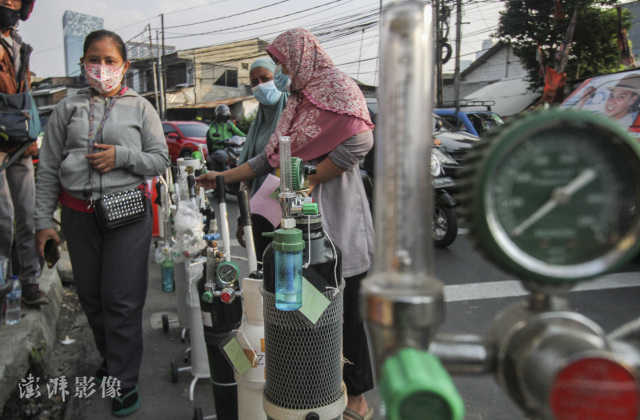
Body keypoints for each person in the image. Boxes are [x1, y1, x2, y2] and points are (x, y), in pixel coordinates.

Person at [197, 28, 375, 420]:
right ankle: (320, 388)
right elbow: (269, 160)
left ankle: (357, 400)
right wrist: (223, 178)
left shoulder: (337, 88)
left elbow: (361, 141)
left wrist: (312, 176)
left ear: (301, 55)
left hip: (337, 216)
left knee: (346, 311)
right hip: (297, 225)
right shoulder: (296, 102)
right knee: (310, 311)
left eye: (280, 63)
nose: (279, 71)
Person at [33, 30, 170, 417]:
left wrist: (123, 156)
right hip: (77, 215)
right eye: (95, 59)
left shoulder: (141, 107)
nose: (102, 68)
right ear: (82, 65)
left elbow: (160, 160)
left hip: (127, 213)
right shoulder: (66, 109)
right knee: (92, 297)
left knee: (121, 300)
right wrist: (44, 221)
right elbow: (47, 170)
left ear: (124, 66)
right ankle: (113, 361)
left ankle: (124, 381)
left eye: (111, 61)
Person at [0, 0, 48, 306]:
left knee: (28, 217)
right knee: (2, 220)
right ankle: (3, 286)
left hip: (18, 144)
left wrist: (32, 141)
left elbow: (24, 97)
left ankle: (29, 283)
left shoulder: (19, 45)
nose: (7, 2)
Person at [235, 57, 288, 257]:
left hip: (288, 213)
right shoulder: (257, 126)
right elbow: (247, 181)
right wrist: (243, 219)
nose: (260, 86)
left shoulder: (293, 117)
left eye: (265, 78)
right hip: (259, 212)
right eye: (254, 82)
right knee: (262, 274)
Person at [575, 74, 640, 128]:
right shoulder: (601, 118)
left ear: (633, 100)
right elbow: (574, 123)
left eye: (621, 97)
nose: (612, 101)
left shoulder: (632, 122)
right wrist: (582, 101)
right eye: (611, 96)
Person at [207, 104, 246, 170]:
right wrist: (217, 140)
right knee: (224, 156)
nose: (224, 116)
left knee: (241, 154)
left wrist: (246, 137)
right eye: (222, 114)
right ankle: (225, 173)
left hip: (229, 148)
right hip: (218, 149)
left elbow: (238, 132)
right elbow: (212, 134)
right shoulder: (214, 126)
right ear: (218, 115)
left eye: (225, 114)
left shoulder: (229, 124)